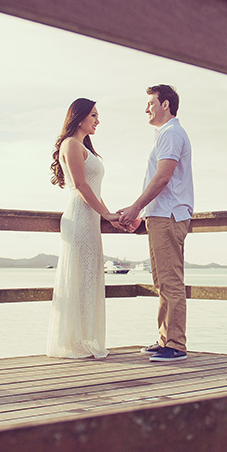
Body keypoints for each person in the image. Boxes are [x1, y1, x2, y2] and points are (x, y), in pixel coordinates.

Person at [119, 84, 194, 362]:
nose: (146, 108)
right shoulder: (166, 134)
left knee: (170, 281)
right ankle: (166, 339)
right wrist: (143, 214)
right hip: (160, 215)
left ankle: (175, 344)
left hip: (169, 215)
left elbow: (163, 177)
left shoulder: (171, 134)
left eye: (151, 102)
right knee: (162, 280)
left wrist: (135, 207)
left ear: (166, 104)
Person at [46, 99, 120, 359]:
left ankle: (86, 338)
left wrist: (110, 216)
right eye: (93, 115)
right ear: (79, 117)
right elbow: (80, 185)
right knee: (77, 278)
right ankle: (72, 341)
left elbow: (94, 190)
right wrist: (106, 214)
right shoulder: (70, 144)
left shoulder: (83, 146)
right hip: (78, 219)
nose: (97, 120)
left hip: (91, 220)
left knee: (89, 278)